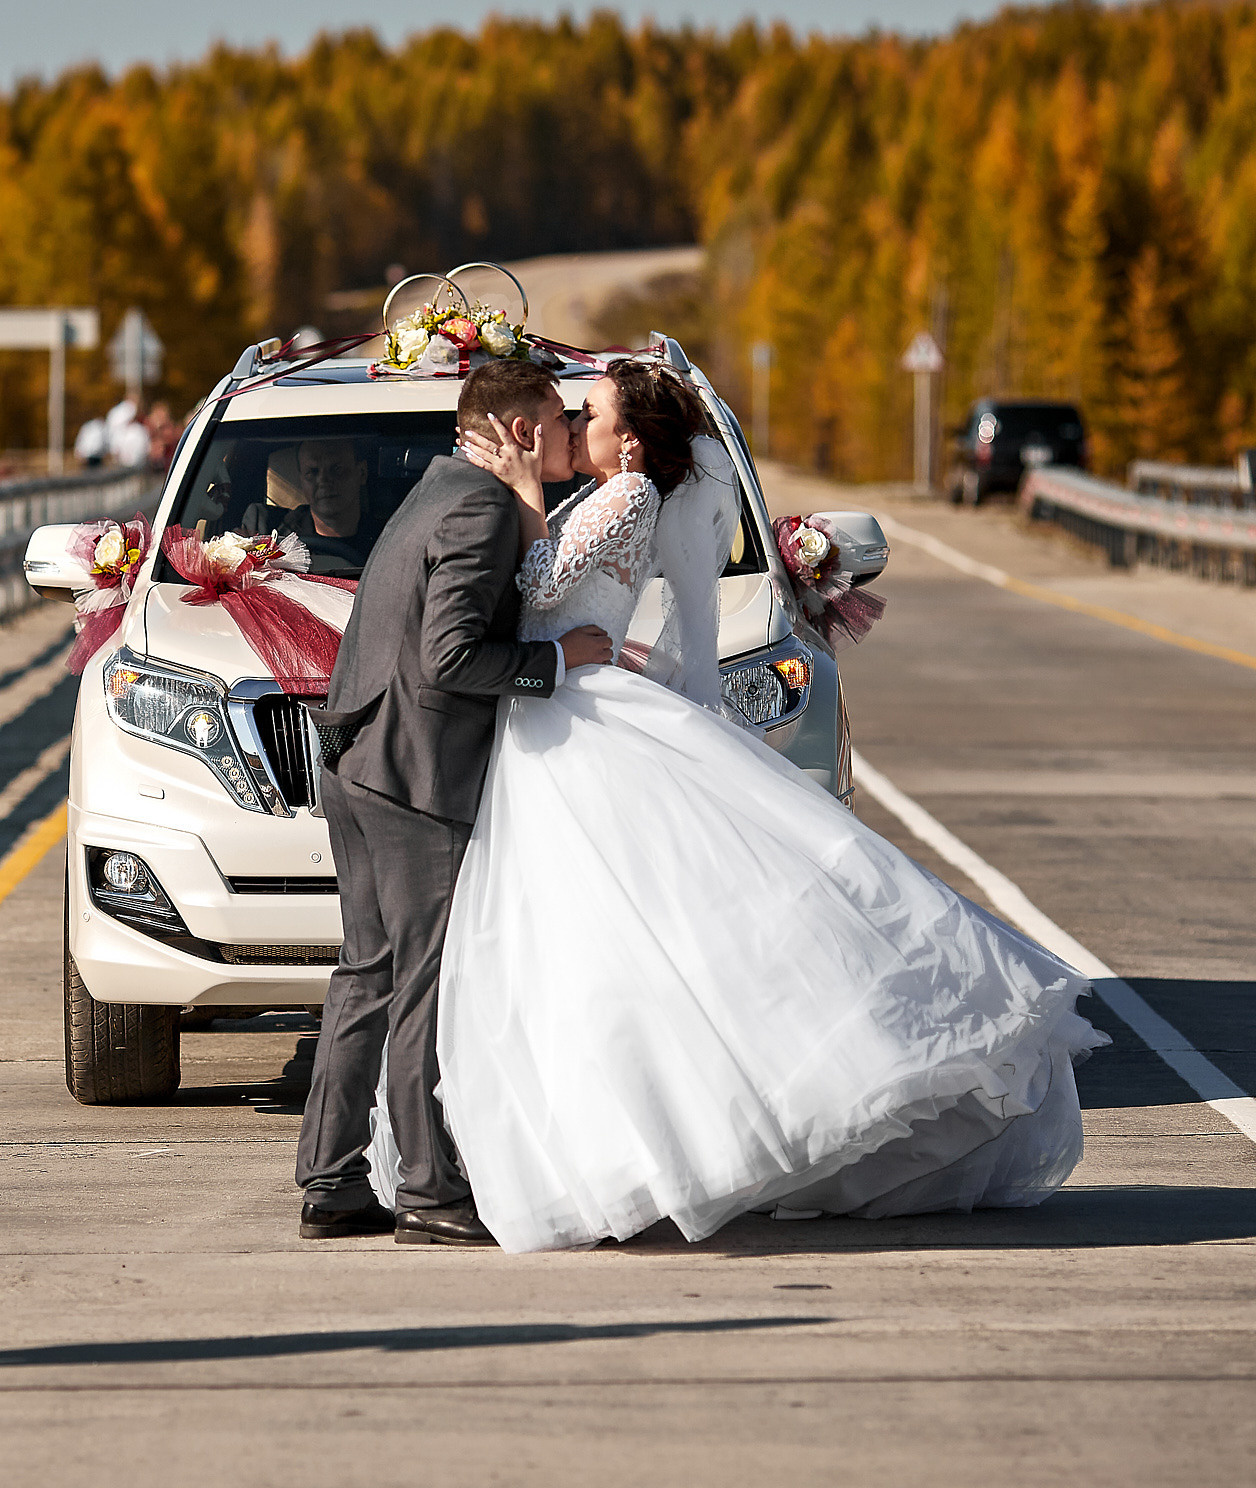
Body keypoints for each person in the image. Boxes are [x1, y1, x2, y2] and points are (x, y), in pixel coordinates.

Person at [412, 361, 1099, 1251]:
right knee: (584, 948)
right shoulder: (605, 495)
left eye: (592, 412)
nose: (576, 423)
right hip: (555, 715)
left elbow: (537, 587)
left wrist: (518, 489)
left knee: (614, 938)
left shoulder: (626, 496)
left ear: (630, 442)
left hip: (575, 721)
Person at [296, 361, 611, 1246]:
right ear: (521, 432)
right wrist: (558, 663)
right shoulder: (479, 511)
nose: (570, 431)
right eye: (558, 418)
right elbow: (449, 656)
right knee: (422, 987)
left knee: (368, 973)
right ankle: (429, 1190)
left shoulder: (438, 491)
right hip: (416, 776)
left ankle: (331, 1180)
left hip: (360, 759)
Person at [240, 438, 387, 576]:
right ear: (302, 481)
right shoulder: (268, 532)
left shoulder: (387, 540)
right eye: (312, 472)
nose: (323, 481)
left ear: (362, 472)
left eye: (336, 469)